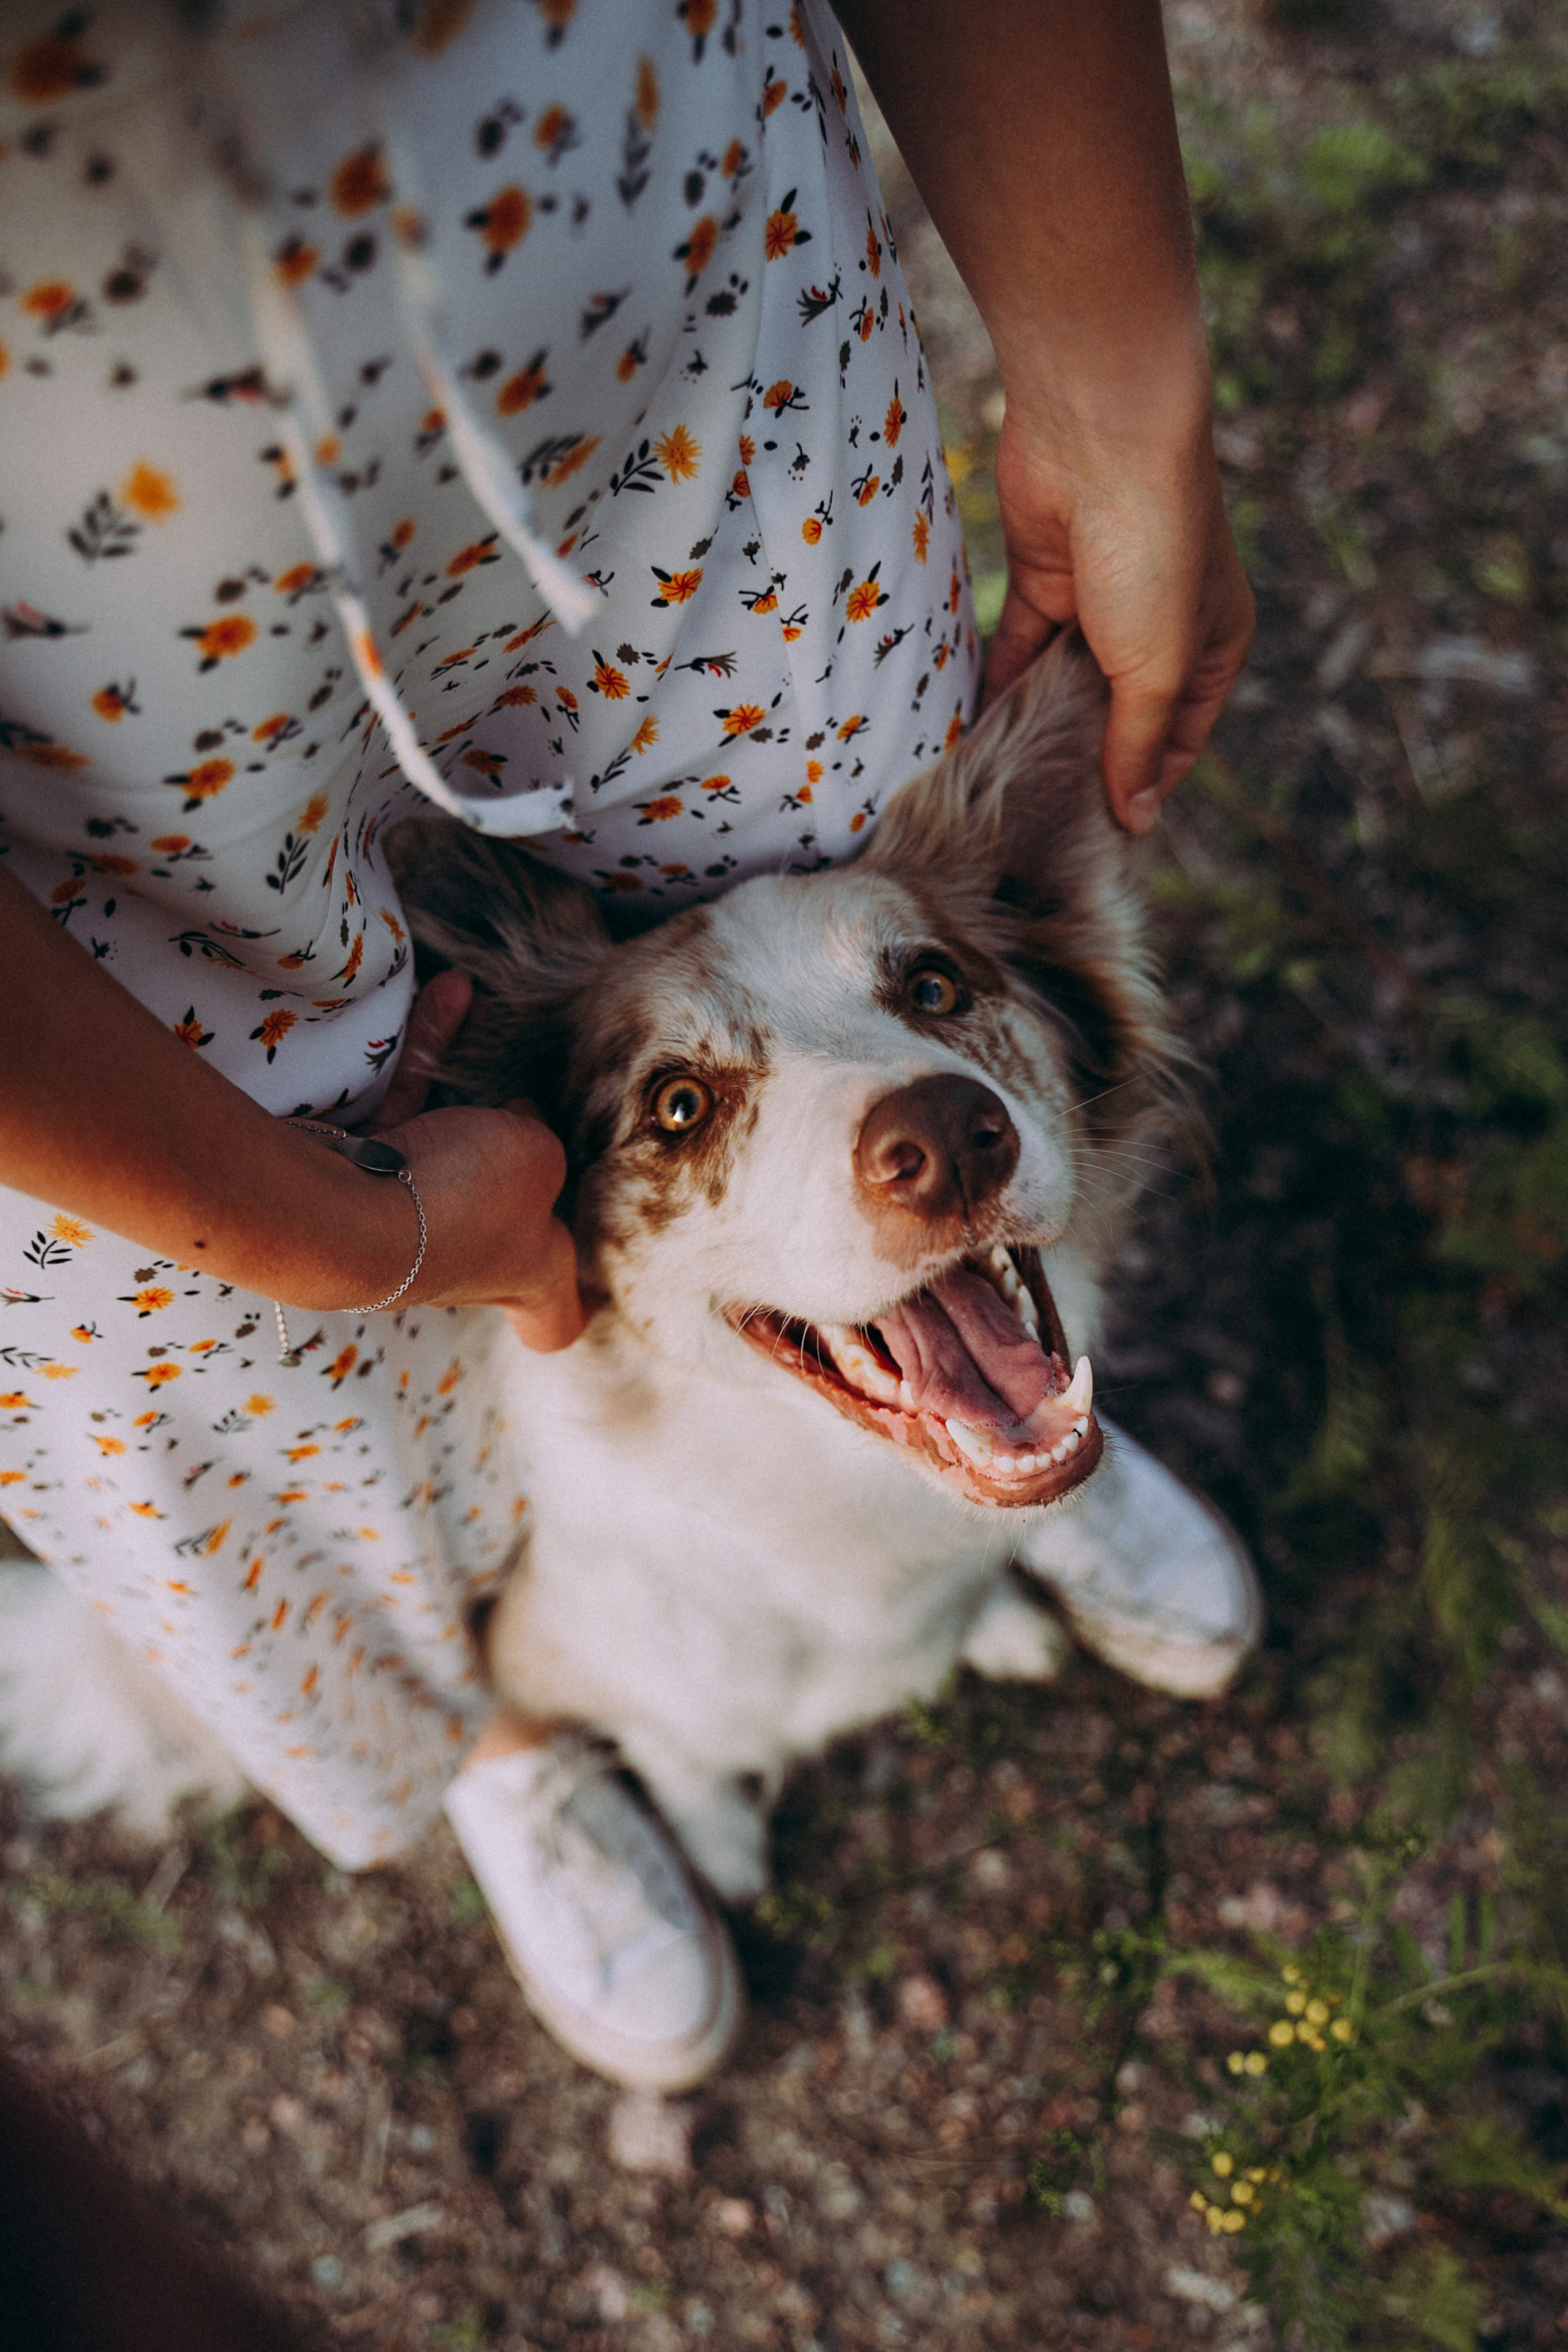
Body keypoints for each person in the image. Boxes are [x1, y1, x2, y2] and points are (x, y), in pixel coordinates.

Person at [0, 0, 1255, 2091]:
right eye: (688, 1108)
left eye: (928, 994)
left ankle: (1020, 1441)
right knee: (221, 1365)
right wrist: (354, 1240)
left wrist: (1127, 388)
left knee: (834, 856)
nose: (908, 1111)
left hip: (670, 313)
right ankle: (520, 1734)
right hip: (73, 744)